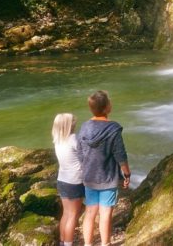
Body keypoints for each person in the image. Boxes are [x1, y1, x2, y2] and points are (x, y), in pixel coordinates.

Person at [78, 90, 131, 246]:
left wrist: (85, 170)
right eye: (109, 101)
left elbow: (80, 153)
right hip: (108, 178)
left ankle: (88, 244)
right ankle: (105, 243)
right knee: (105, 214)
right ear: (107, 107)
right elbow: (120, 154)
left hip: (89, 177)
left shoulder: (84, 127)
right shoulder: (113, 129)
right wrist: (127, 174)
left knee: (90, 212)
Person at [51, 113, 84, 246]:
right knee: (73, 215)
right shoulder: (73, 139)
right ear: (68, 125)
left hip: (62, 180)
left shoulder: (58, 140)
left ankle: (62, 241)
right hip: (75, 181)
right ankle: (68, 243)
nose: (75, 124)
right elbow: (85, 157)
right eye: (73, 122)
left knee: (66, 213)